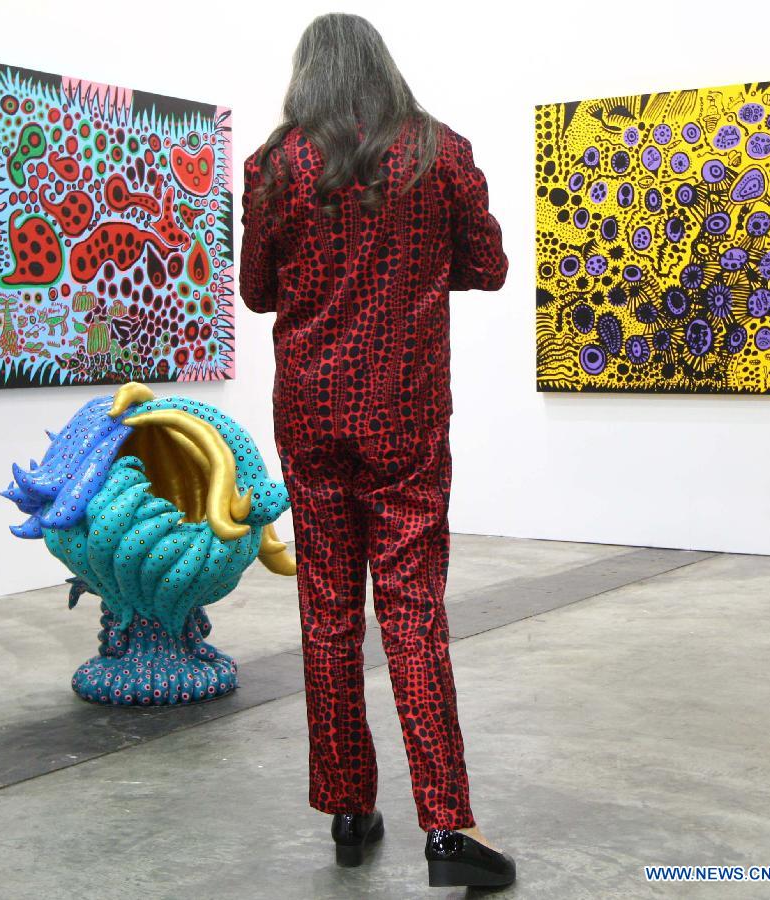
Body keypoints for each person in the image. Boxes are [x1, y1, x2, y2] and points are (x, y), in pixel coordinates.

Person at [239, 12, 514, 889]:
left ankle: (348, 810)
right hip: (403, 412)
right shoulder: (442, 152)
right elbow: (488, 265)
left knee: (326, 612)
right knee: (413, 609)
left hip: (312, 415)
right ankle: (446, 827)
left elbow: (254, 291)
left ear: (308, 73)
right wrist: (418, 260)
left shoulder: (277, 163)